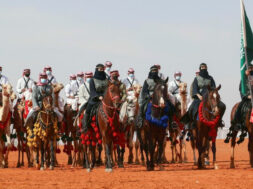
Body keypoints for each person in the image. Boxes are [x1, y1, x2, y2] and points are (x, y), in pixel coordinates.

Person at [181, 63, 226, 128]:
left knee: (223, 106)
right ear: (200, 69)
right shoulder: (196, 78)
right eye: (202, 67)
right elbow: (195, 88)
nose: (203, 68)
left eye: (205, 67)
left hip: (210, 98)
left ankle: (219, 121)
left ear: (207, 68)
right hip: (200, 97)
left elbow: (214, 88)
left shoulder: (210, 78)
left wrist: (212, 95)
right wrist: (198, 95)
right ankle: (192, 123)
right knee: (191, 107)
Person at [25, 73, 63, 137]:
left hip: (49, 105)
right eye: (42, 78)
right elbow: (34, 97)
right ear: (40, 78)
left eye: (45, 78)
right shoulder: (36, 87)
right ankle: (31, 130)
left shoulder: (50, 87)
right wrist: (36, 105)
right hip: (38, 105)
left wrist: (53, 105)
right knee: (30, 115)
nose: (44, 79)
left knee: (60, 116)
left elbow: (53, 97)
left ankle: (58, 129)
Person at [225, 65, 253, 143]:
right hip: (246, 98)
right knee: (240, 107)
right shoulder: (243, 79)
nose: (250, 70)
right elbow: (241, 89)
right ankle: (237, 123)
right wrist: (246, 96)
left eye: (251, 69)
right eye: (249, 69)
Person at [81, 64, 109, 133]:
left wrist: (105, 96)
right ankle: (85, 126)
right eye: (100, 69)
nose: (102, 70)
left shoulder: (106, 80)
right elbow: (92, 91)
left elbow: (107, 90)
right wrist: (98, 96)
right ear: (97, 70)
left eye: (103, 69)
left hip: (105, 99)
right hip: (95, 98)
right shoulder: (92, 80)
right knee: (88, 109)